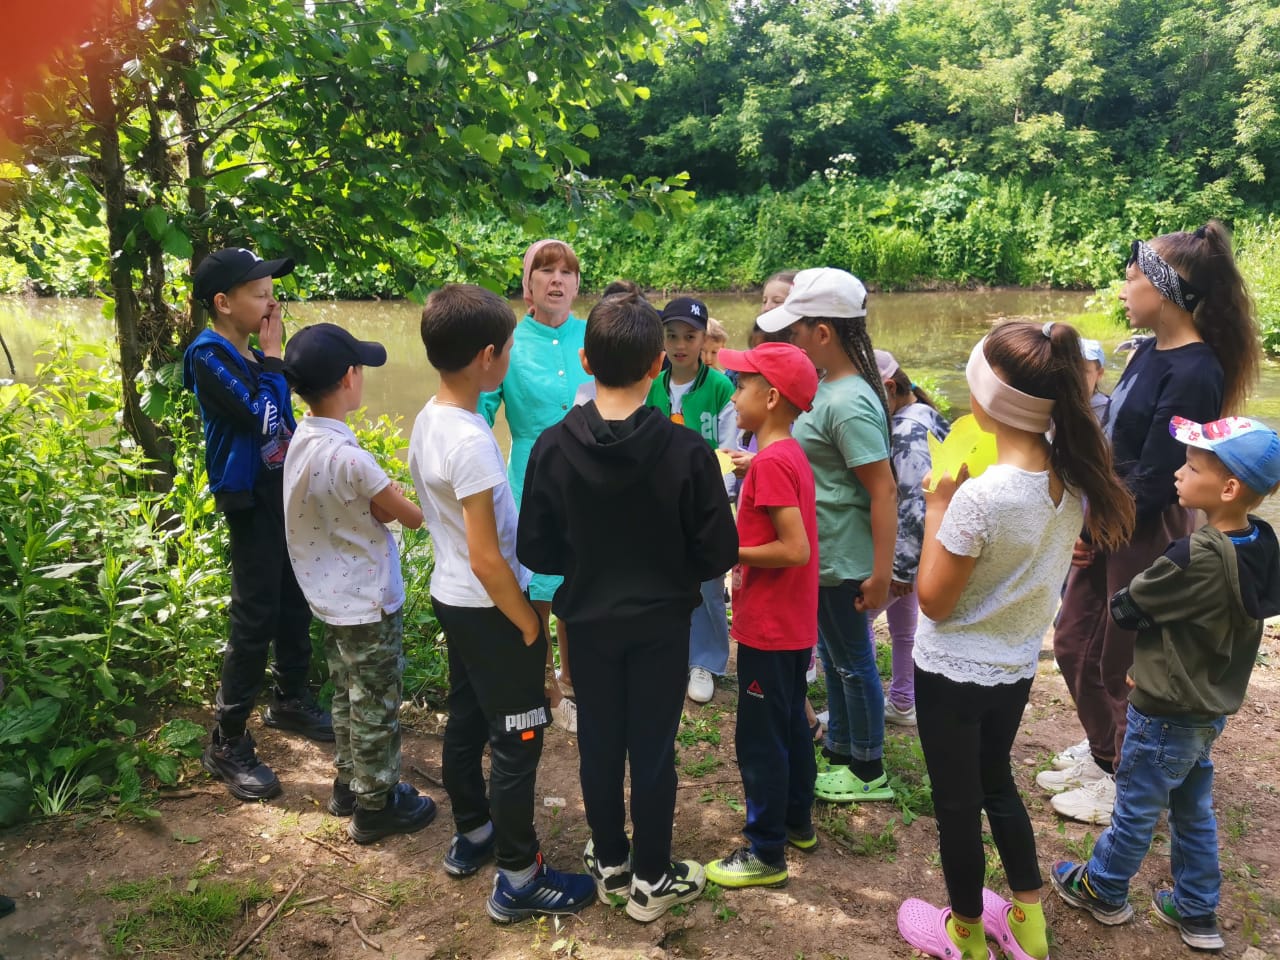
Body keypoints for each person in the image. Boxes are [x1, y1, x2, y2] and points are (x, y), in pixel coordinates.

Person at [896, 321, 1135, 960]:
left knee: (955, 805)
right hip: (1015, 666)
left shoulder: (981, 498)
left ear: (987, 403)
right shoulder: (1071, 479)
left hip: (950, 671)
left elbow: (934, 601)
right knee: (995, 782)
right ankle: (1026, 921)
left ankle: (966, 933)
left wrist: (942, 504)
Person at [518, 291, 738, 922]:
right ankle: (650, 880)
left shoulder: (553, 448)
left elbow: (537, 547)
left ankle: (611, 861)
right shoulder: (687, 453)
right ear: (654, 368)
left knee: (599, 746)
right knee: (652, 750)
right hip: (663, 626)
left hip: (586, 624)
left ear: (586, 359)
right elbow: (717, 552)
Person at [1046, 222, 1260, 826]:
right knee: (1071, 643)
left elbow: (1159, 471)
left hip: (1141, 527)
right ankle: (1104, 750)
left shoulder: (1195, 371)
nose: (1122, 288)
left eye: (1133, 277)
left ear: (1166, 292)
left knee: (1119, 659)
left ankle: (1123, 777)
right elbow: (1118, 443)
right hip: (1112, 519)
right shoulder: (1147, 352)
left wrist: (1091, 531)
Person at [1052, 415, 1280, 954]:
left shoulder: (1191, 556)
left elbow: (1129, 604)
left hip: (1164, 708)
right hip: (1209, 706)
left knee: (1135, 806)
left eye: (1192, 466)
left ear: (1227, 488)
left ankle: (1103, 888)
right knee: (1192, 808)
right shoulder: (1262, 543)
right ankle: (1197, 909)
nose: (1177, 472)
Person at [409, 284, 595, 923]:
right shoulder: (470, 442)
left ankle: (475, 831)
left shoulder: (431, 418)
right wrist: (526, 624)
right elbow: (490, 558)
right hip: (489, 606)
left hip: (451, 595)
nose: (514, 354)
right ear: (488, 357)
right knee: (517, 739)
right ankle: (519, 877)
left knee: (466, 718)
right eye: (511, 346)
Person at [182, 247, 332, 802]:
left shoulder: (255, 358)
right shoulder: (209, 354)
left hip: (280, 490)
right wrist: (272, 357)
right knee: (254, 614)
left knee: (294, 595)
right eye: (260, 293)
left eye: (272, 290)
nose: (273, 301)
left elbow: (287, 425)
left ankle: (290, 698)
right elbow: (262, 414)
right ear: (223, 303)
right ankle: (227, 738)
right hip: (246, 497)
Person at [280, 323, 437, 843]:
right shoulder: (351, 459)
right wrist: (402, 490)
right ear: (349, 378)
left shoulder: (301, 439)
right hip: (367, 602)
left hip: (328, 599)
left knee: (347, 695)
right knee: (376, 703)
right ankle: (376, 805)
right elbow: (410, 516)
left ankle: (348, 783)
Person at [757, 268, 897, 804]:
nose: (786, 340)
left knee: (853, 661)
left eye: (794, 330)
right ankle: (841, 747)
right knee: (838, 658)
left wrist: (882, 574)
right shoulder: (829, 390)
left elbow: (882, 491)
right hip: (823, 553)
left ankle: (868, 768)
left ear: (823, 333)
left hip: (844, 557)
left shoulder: (847, 401)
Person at [703, 342, 820, 890]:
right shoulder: (785, 453)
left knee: (759, 738)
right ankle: (797, 821)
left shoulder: (773, 463)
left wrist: (729, 550)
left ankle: (764, 850)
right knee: (791, 721)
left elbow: (793, 549)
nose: (733, 392)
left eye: (743, 385)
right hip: (792, 622)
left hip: (768, 626)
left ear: (770, 398)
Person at [480, 239, 587, 731]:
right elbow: (478, 413)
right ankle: (543, 682)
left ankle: (576, 677)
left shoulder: (593, 336)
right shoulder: (508, 343)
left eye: (567, 271)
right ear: (528, 286)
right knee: (537, 586)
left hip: (592, 475)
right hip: (531, 477)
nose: (558, 280)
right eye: (546, 271)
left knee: (583, 582)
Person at [645, 296, 739, 704]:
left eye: (690, 336)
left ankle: (706, 660)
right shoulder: (652, 386)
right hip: (660, 500)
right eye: (671, 335)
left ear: (704, 339)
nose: (680, 344)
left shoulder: (720, 387)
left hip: (704, 499)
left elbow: (732, 447)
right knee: (663, 575)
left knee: (707, 583)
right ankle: (669, 650)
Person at [869, 349, 951, 726]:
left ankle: (863, 708)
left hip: (907, 552)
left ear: (889, 388)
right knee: (904, 627)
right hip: (925, 548)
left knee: (855, 624)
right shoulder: (926, 415)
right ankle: (903, 699)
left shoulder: (906, 431)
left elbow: (914, 503)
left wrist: (900, 569)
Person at [1080, 338, 1110, 423]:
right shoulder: (1054, 403)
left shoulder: (1107, 410)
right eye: (1071, 368)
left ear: (1099, 374)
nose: (1075, 375)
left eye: (1083, 371)